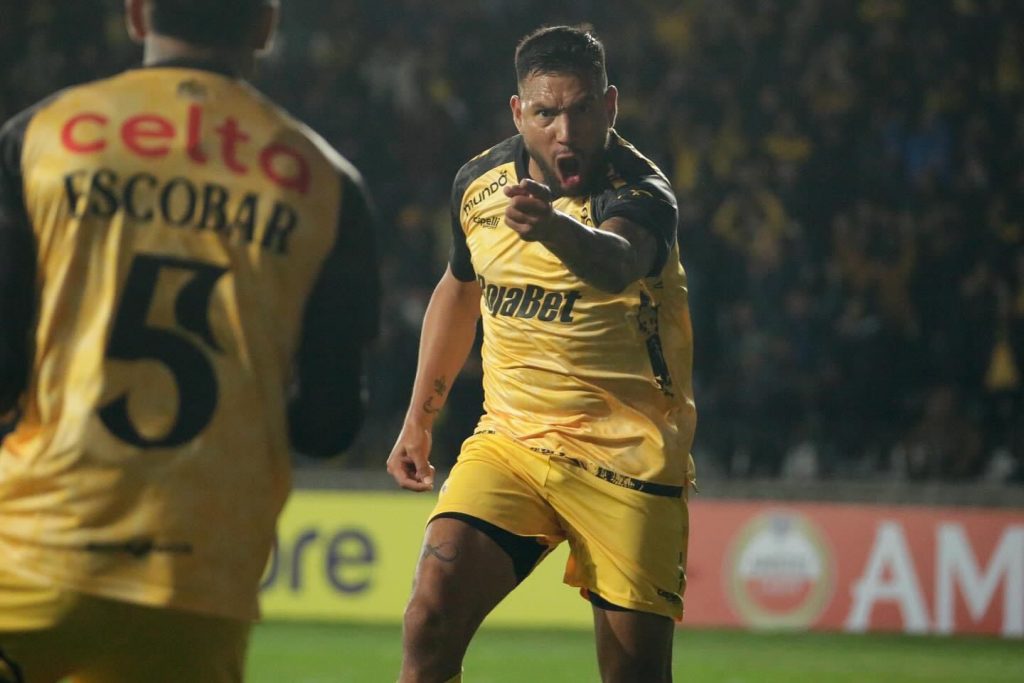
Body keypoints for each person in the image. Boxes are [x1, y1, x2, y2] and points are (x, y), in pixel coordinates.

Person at [0, 0, 379, 680]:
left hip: (29, 554)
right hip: (199, 586)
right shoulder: (328, 184)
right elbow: (329, 425)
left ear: (137, 14)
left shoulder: (41, 136)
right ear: (266, 24)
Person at [386, 25, 697, 683]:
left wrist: (552, 226)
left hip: (626, 457)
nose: (565, 129)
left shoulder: (642, 193)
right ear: (517, 112)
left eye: (582, 109)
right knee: (428, 619)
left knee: (634, 675)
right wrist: (420, 415)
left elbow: (615, 264)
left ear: (609, 107)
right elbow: (459, 287)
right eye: (546, 112)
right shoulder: (478, 185)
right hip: (513, 445)